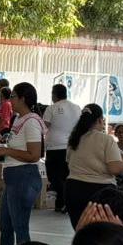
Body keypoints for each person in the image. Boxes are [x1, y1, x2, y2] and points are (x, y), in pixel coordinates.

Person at [0, 82, 44, 245]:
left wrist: (6, 151)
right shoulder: (18, 119)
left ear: (22, 98)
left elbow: (34, 154)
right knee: (5, 226)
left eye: (12, 96)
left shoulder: (31, 122)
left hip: (24, 177)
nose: (10, 100)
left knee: (20, 228)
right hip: (14, 178)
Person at [61, 104, 123, 229]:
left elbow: (69, 161)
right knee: (99, 235)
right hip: (100, 191)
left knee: (81, 233)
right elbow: (115, 169)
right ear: (100, 120)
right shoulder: (106, 139)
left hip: (73, 189)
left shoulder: (74, 139)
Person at [43, 83, 82, 213]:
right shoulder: (77, 108)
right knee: (66, 175)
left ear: (54, 94)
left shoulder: (51, 108)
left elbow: (44, 127)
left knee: (55, 176)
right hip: (71, 147)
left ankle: (62, 202)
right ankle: (61, 203)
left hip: (54, 147)